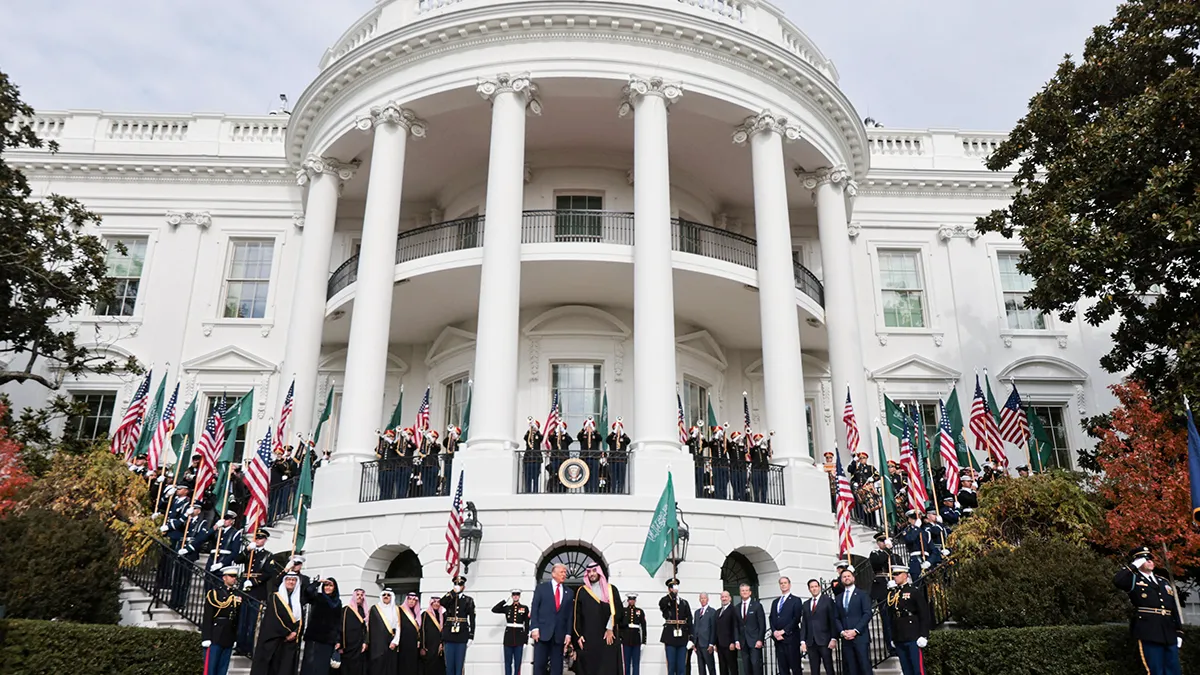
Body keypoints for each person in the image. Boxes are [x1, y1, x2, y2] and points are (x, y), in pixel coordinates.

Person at [1113, 546, 1183, 675]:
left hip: (1168, 632)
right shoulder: (1133, 579)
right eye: (1145, 559)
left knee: (1174, 670)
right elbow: (1117, 580)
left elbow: (1172, 608)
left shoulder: (1163, 582)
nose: (1150, 561)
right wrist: (1133, 566)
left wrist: (1179, 631)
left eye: (1151, 558)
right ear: (1137, 561)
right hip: (1149, 631)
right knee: (1155, 670)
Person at [574, 563, 623, 675]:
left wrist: (610, 628)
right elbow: (576, 616)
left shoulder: (611, 589)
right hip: (589, 639)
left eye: (594, 571)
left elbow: (617, 610)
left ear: (599, 572)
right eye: (589, 572)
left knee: (607, 668)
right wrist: (578, 635)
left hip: (607, 637)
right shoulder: (582, 591)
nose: (592, 574)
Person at [250, 573, 303, 675]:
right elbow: (274, 618)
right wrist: (287, 632)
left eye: (293, 580)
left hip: (290, 642)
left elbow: (300, 619)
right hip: (276, 640)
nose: (291, 582)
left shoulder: (298, 600)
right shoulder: (275, 597)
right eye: (288, 580)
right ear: (284, 581)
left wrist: (296, 633)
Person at [234, 530, 276, 653]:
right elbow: (237, 560)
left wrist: (253, 582)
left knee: (251, 620)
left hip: (257, 590)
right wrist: (246, 549)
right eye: (256, 538)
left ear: (265, 540)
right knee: (242, 618)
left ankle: (248, 647)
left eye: (261, 538)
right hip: (244, 589)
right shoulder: (249, 552)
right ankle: (240, 645)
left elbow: (268, 573)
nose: (258, 540)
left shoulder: (268, 556)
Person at [886, 566, 930, 675]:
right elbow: (890, 615)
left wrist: (924, 634)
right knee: (906, 669)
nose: (895, 577)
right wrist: (892, 636)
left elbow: (923, 613)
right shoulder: (893, 593)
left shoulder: (913, 591)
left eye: (897, 574)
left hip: (912, 634)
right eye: (894, 575)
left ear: (905, 575)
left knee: (917, 669)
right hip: (899, 635)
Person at [531, 563, 574, 675]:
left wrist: (568, 634)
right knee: (539, 666)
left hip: (559, 635)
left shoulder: (569, 592)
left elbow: (569, 615)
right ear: (554, 573)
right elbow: (534, 609)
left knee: (557, 667)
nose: (564, 574)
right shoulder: (541, 588)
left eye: (565, 572)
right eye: (562, 572)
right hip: (542, 633)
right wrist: (534, 628)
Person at [202, 566, 242, 675]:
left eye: (235, 577)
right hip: (216, 633)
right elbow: (207, 616)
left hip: (228, 634)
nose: (234, 579)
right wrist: (206, 637)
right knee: (211, 668)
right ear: (224, 577)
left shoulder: (236, 595)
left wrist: (235, 636)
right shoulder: (215, 594)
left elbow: (237, 617)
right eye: (231, 576)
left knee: (223, 669)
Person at [301, 577, 342, 675]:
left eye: (330, 585)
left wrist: (338, 640)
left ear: (334, 588)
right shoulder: (318, 597)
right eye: (326, 585)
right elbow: (308, 591)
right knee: (310, 665)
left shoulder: (338, 602)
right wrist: (318, 582)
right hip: (314, 637)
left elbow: (338, 621)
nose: (328, 588)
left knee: (322, 667)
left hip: (328, 640)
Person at [834, 569, 872, 675]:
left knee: (864, 667)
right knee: (851, 669)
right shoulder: (838, 598)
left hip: (860, 637)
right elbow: (836, 617)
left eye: (848, 576)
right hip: (846, 639)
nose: (846, 578)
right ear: (841, 580)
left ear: (853, 578)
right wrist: (842, 632)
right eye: (844, 577)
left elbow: (867, 613)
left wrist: (856, 630)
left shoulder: (862, 594)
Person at [799, 578, 837, 675]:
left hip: (825, 640)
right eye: (812, 587)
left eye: (816, 586)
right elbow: (804, 623)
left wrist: (833, 638)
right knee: (814, 669)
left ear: (819, 587)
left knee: (829, 667)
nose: (814, 589)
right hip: (811, 642)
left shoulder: (828, 601)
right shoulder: (806, 604)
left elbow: (832, 620)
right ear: (809, 589)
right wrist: (802, 641)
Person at [441, 575, 476, 675]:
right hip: (449, 635)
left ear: (463, 587)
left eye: (460, 584)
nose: (458, 586)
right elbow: (442, 602)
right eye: (456, 584)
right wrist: (452, 593)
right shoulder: (450, 598)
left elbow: (472, 619)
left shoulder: (468, 600)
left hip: (462, 635)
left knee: (459, 666)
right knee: (449, 666)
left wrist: (471, 635)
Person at [768, 576, 802, 675]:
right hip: (778, 640)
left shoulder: (796, 600)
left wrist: (783, 631)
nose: (783, 585)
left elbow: (796, 618)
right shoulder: (775, 602)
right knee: (782, 668)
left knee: (795, 667)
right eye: (781, 583)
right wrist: (774, 632)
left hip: (791, 638)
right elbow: (771, 617)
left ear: (789, 585)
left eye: (785, 583)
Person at [869, 532, 896, 653]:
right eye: (882, 541)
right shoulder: (875, 554)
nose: (884, 543)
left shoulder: (892, 555)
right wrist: (888, 551)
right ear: (878, 543)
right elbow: (878, 562)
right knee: (886, 619)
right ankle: (890, 645)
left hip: (894, 585)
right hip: (882, 586)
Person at [659, 578, 693, 675]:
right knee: (671, 666)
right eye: (673, 587)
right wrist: (671, 597)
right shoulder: (666, 601)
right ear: (669, 589)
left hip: (682, 637)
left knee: (681, 666)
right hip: (670, 637)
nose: (675, 589)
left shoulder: (684, 603)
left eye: (676, 587)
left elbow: (689, 620)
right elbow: (663, 606)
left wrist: (691, 637)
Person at [492, 589, 529, 675]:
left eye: (517, 595)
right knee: (508, 663)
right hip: (508, 638)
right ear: (512, 596)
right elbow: (494, 609)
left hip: (519, 638)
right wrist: (505, 600)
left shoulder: (524, 608)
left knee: (518, 663)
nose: (515, 596)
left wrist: (525, 640)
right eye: (514, 595)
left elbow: (526, 624)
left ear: (519, 596)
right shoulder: (507, 608)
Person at [734, 582, 765, 675]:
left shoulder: (757, 605)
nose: (744, 592)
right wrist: (736, 640)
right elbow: (736, 625)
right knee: (746, 667)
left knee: (755, 666)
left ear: (750, 592)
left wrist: (760, 639)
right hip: (743, 642)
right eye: (742, 591)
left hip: (755, 641)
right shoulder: (737, 607)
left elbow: (762, 624)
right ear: (740, 592)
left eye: (746, 590)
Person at [368, 589, 401, 675]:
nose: (386, 596)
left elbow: (398, 626)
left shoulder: (396, 609)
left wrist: (395, 641)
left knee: (390, 666)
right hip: (377, 644)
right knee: (378, 666)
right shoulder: (375, 609)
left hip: (391, 642)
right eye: (384, 595)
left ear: (392, 597)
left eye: (388, 595)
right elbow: (370, 627)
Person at [339, 588, 370, 675]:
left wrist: (365, 642)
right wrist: (340, 644)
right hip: (348, 646)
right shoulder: (345, 610)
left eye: (361, 595)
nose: (359, 597)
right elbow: (340, 627)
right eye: (358, 595)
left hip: (359, 645)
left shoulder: (365, 612)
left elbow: (366, 628)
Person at [620, 593, 647, 675]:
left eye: (633, 599)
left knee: (636, 663)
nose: (632, 601)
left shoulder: (640, 611)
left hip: (636, 640)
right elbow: (620, 625)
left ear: (635, 601)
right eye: (630, 599)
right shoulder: (623, 611)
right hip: (626, 640)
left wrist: (643, 641)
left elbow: (644, 627)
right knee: (626, 663)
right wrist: (620, 637)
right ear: (628, 601)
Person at [396, 592, 422, 675]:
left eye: (414, 600)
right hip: (403, 642)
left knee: (412, 664)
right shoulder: (399, 610)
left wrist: (418, 639)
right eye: (410, 599)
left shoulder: (416, 613)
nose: (412, 601)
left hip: (413, 643)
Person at [693, 592, 718, 675]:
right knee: (701, 667)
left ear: (707, 599)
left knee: (711, 667)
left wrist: (711, 643)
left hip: (707, 644)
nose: (702, 600)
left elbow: (713, 628)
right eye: (701, 598)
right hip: (698, 645)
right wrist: (694, 643)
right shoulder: (697, 612)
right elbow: (695, 627)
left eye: (704, 598)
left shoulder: (712, 611)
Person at [713, 590, 737, 675]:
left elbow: (735, 626)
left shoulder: (733, 610)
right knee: (722, 667)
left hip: (729, 644)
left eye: (726, 597)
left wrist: (733, 641)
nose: (724, 599)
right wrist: (715, 643)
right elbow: (716, 628)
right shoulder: (718, 611)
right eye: (722, 597)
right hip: (720, 644)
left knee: (732, 667)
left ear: (730, 598)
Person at [420, 596, 445, 675]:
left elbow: (444, 631)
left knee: (440, 666)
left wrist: (442, 643)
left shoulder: (443, 615)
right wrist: (423, 646)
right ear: (431, 603)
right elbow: (422, 630)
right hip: (429, 645)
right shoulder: (425, 614)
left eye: (438, 602)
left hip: (440, 646)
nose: (436, 604)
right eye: (434, 602)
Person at [606, 418, 631, 494]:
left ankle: (620, 491)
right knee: (613, 477)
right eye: (616, 428)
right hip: (613, 460)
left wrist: (622, 432)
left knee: (621, 478)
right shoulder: (612, 437)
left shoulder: (624, 437)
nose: (618, 429)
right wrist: (615, 431)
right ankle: (613, 491)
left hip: (621, 460)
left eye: (619, 428)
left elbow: (628, 441)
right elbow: (607, 440)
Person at [523, 418, 544, 494]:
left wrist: (537, 431)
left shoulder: (538, 435)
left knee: (535, 477)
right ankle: (528, 491)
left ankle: (535, 491)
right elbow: (525, 438)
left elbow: (541, 438)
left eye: (535, 426)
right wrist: (529, 430)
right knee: (527, 477)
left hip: (536, 459)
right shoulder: (528, 434)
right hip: (528, 458)